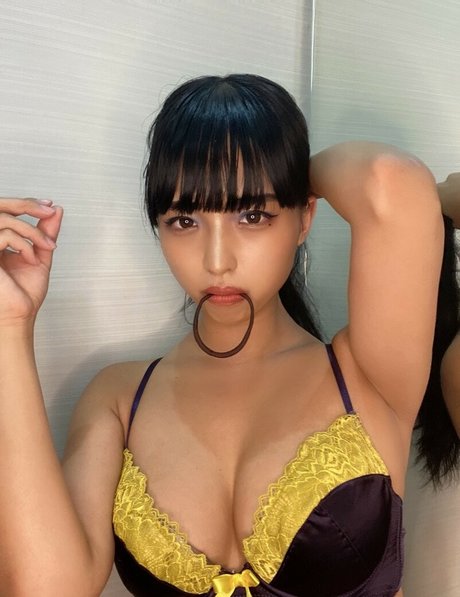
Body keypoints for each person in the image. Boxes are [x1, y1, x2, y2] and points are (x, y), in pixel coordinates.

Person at [0, 74, 443, 597]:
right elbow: (44, 588)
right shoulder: (118, 399)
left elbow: (391, 181)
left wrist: (284, 171)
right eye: (184, 221)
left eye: (253, 215)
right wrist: (10, 325)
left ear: (304, 218)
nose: (216, 261)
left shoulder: (365, 375)